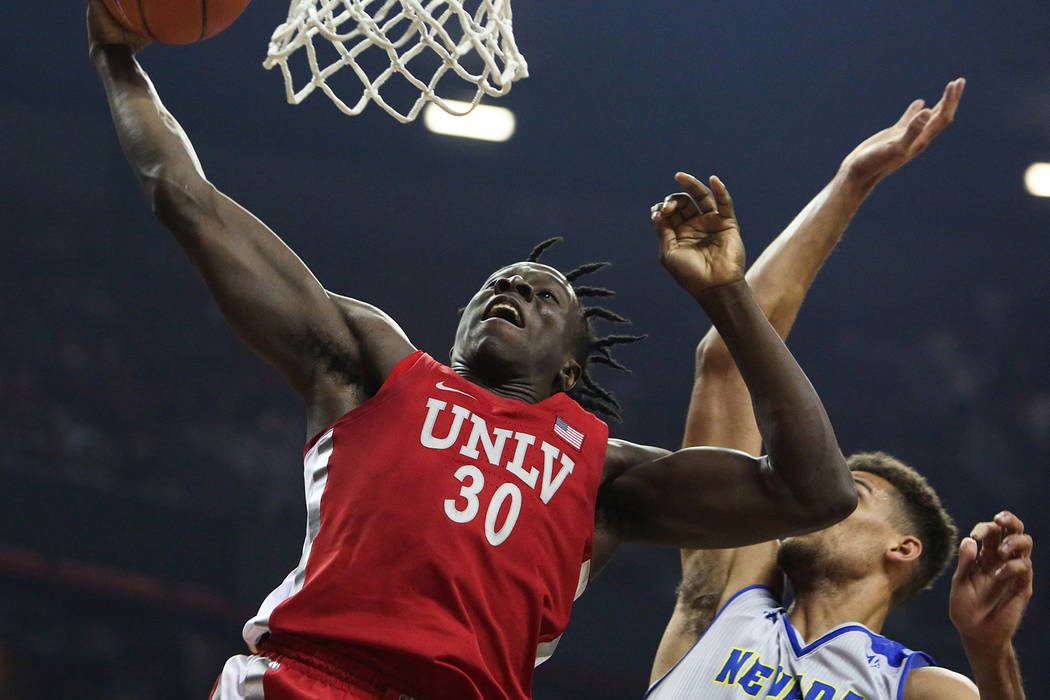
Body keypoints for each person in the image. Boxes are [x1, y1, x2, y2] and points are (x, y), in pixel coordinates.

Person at [85, 3, 861, 698]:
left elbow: (816, 492)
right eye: (501, 285)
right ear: (459, 324)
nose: (515, 293)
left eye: (543, 296)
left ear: (568, 364)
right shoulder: (373, 367)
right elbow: (185, 198)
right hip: (306, 680)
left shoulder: (605, 476)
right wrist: (115, 60)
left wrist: (726, 295)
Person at [647, 79, 1034, 699]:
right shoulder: (725, 595)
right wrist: (851, 181)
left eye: (849, 493)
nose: (817, 494)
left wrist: (991, 656)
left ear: (902, 548)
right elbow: (727, 363)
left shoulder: (919, 686)